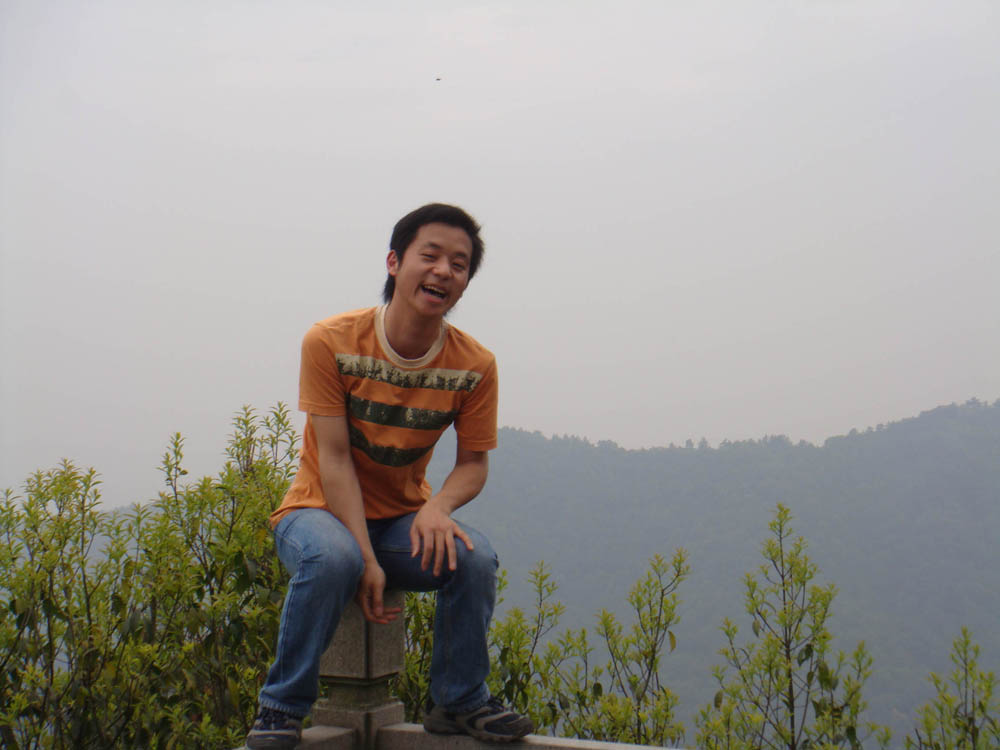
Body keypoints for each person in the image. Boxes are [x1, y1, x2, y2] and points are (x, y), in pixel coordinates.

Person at [246, 204, 534, 749]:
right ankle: (281, 707)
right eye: (431, 255)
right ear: (395, 262)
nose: (444, 271)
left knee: (473, 559)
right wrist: (367, 558)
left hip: (402, 518)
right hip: (316, 510)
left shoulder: (474, 365)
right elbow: (334, 460)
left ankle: (460, 700)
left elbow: (473, 464)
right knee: (336, 559)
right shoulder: (331, 341)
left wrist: (436, 508)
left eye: (459, 264)